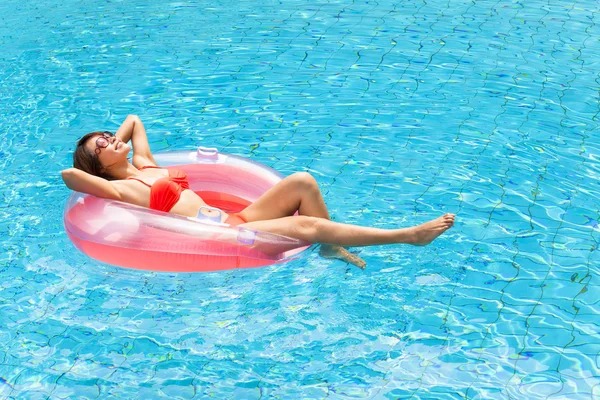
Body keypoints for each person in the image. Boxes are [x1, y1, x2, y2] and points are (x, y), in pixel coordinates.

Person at [61, 115, 455, 269]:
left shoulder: (146, 164)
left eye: (110, 137)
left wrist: (113, 144)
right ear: (98, 167)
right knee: (308, 226)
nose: (113, 140)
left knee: (302, 181)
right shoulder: (125, 190)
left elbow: (133, 120)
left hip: (232, 221)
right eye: (103, 145)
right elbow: (70, 176)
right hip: (221, 238)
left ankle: (333, 248)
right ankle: (407, 237)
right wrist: (95, 160)